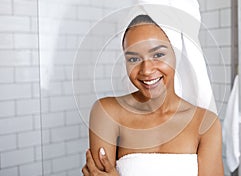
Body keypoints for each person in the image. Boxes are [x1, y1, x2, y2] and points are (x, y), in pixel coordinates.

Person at [81, 14, 224, 176]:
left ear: (176, 55)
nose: (146, 70)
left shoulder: (206, 123)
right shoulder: (107, 112)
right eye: (134, 59)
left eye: (158, 55)